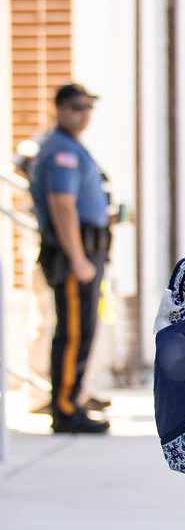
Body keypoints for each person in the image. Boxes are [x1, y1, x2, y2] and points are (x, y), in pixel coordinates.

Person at [27, 83, 113, 433]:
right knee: (74, 333)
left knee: (83, 330)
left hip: (86, 249)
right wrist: (78, 257)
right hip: (74, 252)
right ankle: (65, 407)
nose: (84, 114)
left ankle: (73, 396)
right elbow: (63, 206)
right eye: (77, 107)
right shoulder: (61, 151)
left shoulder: (71, 146)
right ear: (60, 109)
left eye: (88, 107)